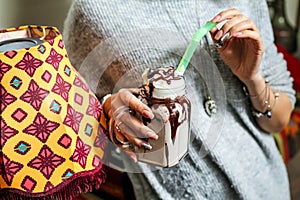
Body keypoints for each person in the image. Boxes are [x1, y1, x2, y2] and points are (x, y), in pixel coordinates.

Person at [63, 1, 295, 199]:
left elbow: (278, 120)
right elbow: (67, 123)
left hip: (269, 188)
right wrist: (108, 112)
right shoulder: (93, 10)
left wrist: (252, 79)